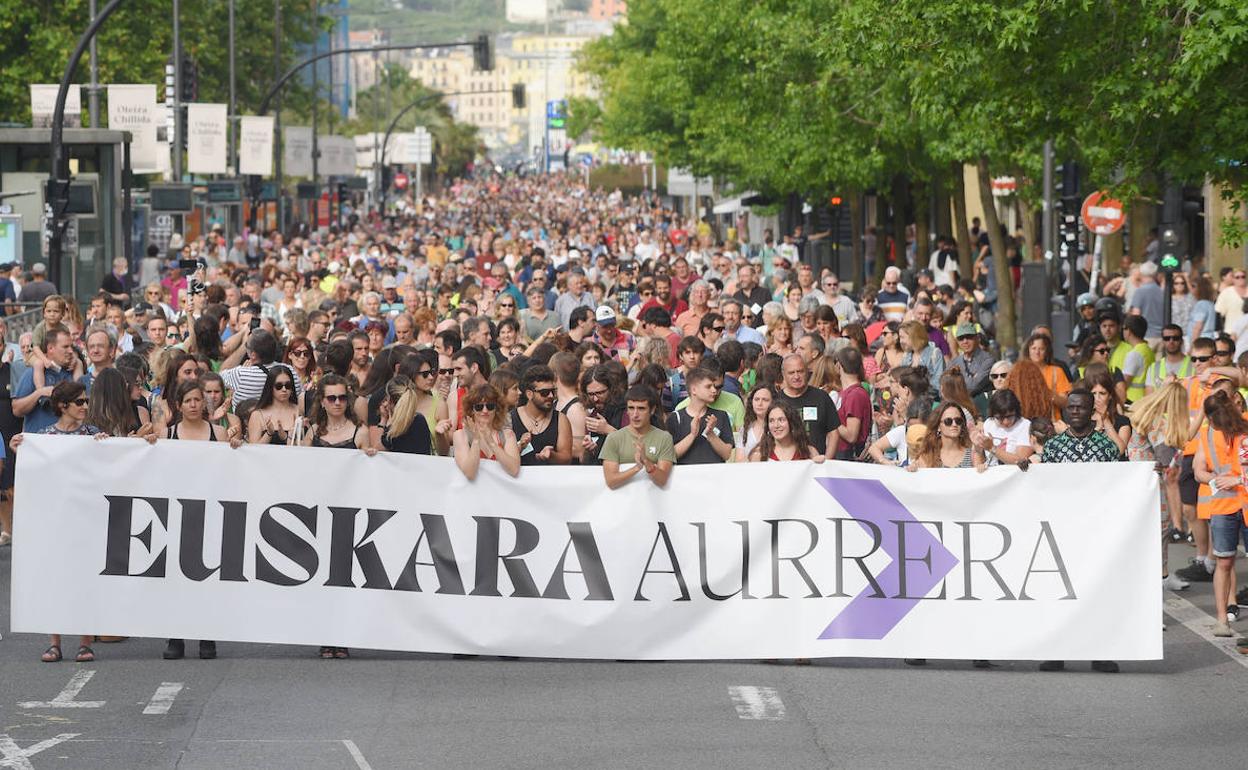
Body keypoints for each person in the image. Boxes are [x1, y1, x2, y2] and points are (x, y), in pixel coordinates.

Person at [10, 382, 103, 663]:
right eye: (80, 402)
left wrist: (109, 448)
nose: (85, 406)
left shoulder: (94, 435)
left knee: (84, 579)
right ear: (63, 406)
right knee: (55, 579)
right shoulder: (44, 437)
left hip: (86, 517)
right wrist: (20, 451)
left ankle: (85, 642)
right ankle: (55, 642)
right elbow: (35, 471)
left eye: (86, 401)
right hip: (55, 519)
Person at [158, 379, 239, 662]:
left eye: (197, 400)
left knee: (207, 578)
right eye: (188, 401)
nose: (193, 405)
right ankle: (175, 636)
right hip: (176, 515)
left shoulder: (218, 432)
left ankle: (207, 634)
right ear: (179, 405)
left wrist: (237, 447)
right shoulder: (167, 434)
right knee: (176, 579)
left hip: (211, 514)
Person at [1191, 390, 1248, 636]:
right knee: (1224, 561)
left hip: (1245, 504)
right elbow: (1198, 470)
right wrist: (1214, 478)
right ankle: (1221, 619)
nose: (1212, 425)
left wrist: (1236, 479)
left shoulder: (1245, 430)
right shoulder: (1207, 434)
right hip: (1223, 506)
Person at [600, 385, 676, 489]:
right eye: (631, 408)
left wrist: (646, 462)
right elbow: (611, 481)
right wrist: (637, 468)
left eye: (641, 408)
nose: (635, 414)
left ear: (652, 410)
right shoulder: (614, 438)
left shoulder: (664, 438)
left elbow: (662, 480)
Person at [775, 354, 841, 457]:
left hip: (817, 464)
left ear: (807, 371)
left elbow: (833, 433)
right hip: (787, 464)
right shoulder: (776, 401)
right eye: (791, 373)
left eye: (800, 371)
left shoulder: (822, 397)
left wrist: (827, 461)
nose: (796, 376)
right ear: (783, 375)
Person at [453, 383, 521, 480]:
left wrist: (491, 443)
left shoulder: (507, 434)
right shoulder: (460, 435)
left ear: (496, 409)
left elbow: (514, 470)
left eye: (490, 406)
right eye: (479, 407)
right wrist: (476, 439)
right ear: (471, 410)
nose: (485, 411)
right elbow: (470, 473)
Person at [667, 367, 734, 464]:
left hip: (715, 476)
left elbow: (727, 454)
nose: (714, 390)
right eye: (708, 387)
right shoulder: (675, 418)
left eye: (714, 386)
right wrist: (692, 435)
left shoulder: (721, 415)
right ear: (694, 390)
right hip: (685, 477)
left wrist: (711, 434)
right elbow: (670, 455)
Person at [511, 365, 573, 465]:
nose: (551, 396)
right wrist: (519, 447)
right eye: (544, 393)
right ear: (529, 394)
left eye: (553, 391)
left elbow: (567, 458)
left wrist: (551, 455)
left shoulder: (560, 419)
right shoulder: (510, 419)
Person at [910, 403, 985, 471]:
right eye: (948, 421)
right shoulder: (927, 457)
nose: (954, 424)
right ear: (938, 426)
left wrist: (981, 467)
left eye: (958, 421)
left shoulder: (973, 456)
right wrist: (913, 471)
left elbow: (980, 481)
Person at [748, 400, 824, 462]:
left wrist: (819, 465)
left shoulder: (810, 452)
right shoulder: (759, 455)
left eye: (781, 420)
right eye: (771, 421)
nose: (776, 425)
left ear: (791, 422)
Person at [377, 375, 434, 455]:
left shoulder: (394, 430)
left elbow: (378, 448)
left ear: (390, 401)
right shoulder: (419, 420)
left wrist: (383, 420)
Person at [247, 365, 300, 445]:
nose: (284, 389)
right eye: (279, 386)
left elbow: (306, 446)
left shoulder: (299, 411)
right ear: (270, 387)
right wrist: (269, 434)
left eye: (288, 385)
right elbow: (254, 449)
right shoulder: (257, 415)